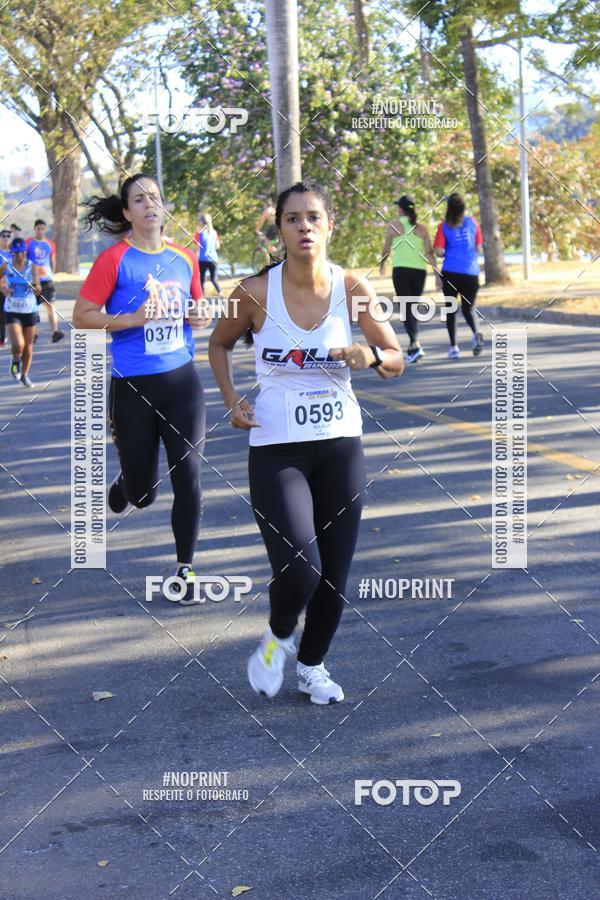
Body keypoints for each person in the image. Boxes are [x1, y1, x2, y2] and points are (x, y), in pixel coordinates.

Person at [209, 180, 404, 704]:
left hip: (340, 444)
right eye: (292, 218)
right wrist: (231, 400)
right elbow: (219, 343)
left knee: (335, 576)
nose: (304, 227)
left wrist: (373, 357)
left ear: (330, 225)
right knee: (302, 568)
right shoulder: (252, 293)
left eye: (313, 217)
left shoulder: (353, 288)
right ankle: (277, 636)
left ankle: (312, 666)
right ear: (280, 229)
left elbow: (395, 358)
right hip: (276, 449)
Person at [72, 174, 209, 606]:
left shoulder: (185, 258)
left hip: (182, 383)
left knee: (189, 477)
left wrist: (199, 316)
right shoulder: (115, 260)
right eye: (138, 199)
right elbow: (82, 316)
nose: (149, 204)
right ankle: (127, 487)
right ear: (127, 212)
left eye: (155, 197)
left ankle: (185, 568)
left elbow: (195, 309)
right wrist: (131, 319)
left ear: (164, 207)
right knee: (144, 492)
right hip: (133, 386)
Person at [380, 195, 440, 363]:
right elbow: (430, 253)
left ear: (400, 209)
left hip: (401, 271)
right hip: (419, 272)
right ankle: (413, 349)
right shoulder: (423, 228)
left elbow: (386, 249)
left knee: (407, 308)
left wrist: (382, 264)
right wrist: (437, 275)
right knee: (412, 307)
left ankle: (416, 343)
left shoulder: (394, 225)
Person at [433, 193, 484, 359]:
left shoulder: (444, 226)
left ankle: (454, 348)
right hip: (471, 273)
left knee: (451, 310)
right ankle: (476, 333)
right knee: (469, 308)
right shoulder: (472, 222)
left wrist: (449, 252)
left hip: (451, 272)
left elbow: (439, 251)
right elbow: (478, 247)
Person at [0, 237, 41, 388]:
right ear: (12, 253)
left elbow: (39, 289)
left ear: (26, 252)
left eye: (22, 252)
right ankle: (16, 360)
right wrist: (3, 289)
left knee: (28, 346)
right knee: (19, 344)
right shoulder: (7, 266)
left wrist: (35, 288)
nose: (19, 256)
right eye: (16, 253)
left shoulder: (32, 267)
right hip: (12, 310)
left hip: (29, 310)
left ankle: (24, 375)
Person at [26, 219, 65, 343]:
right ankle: (34, 334)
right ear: (35, 229)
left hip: (47, 280)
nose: (41, 231)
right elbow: (24, 259)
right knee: (33, 308)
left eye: (43, 229)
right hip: (33, 280)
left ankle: (55, 333)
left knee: (51, 306)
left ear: (46, 230)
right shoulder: (29, 243)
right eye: (38, 229)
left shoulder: (50, 244)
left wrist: (52, 273)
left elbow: (52, 260)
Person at [195, 212, 221, 295]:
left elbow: (197, 249)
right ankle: (221, 294)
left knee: (201, 280)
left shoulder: (199, 234)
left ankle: (202, 298)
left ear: (202, 222)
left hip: (203, 259)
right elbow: (217, 246)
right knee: (214, 280)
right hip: (214, 259)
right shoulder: (214, 232)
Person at [0, 228, 13, 347]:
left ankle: (3, 336)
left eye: (8, 236)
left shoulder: (14, 253)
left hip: (10, 286)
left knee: (5, 312)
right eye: (3, 236)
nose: (5, 238)